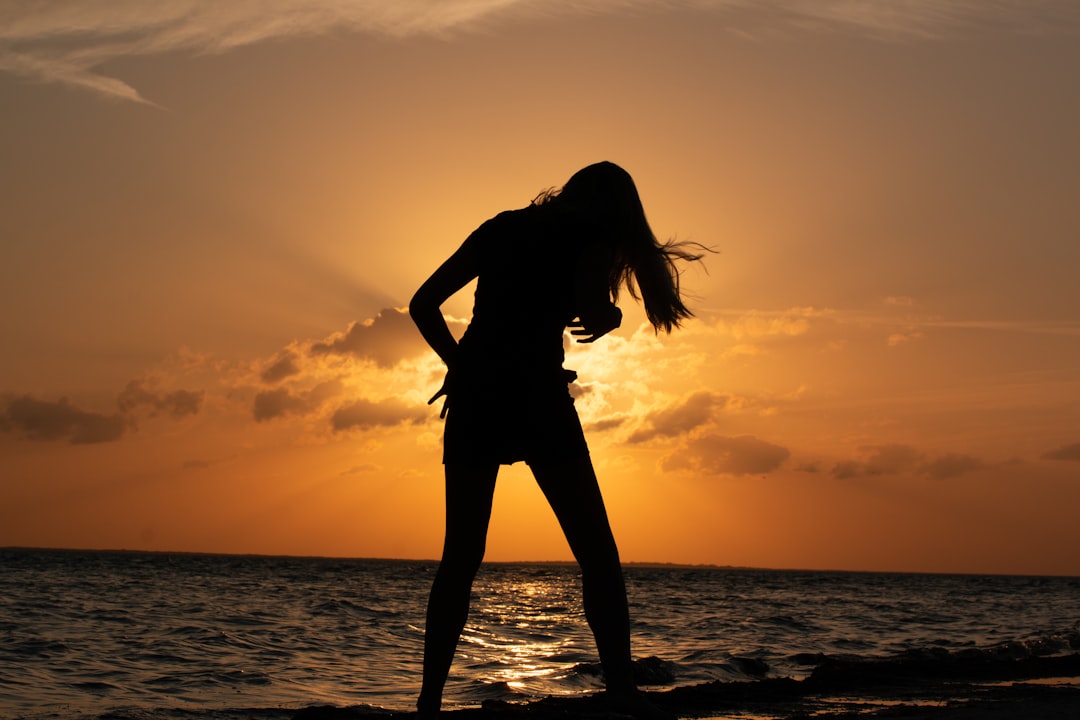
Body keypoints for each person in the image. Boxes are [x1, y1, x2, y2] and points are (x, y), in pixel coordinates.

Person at [409, 161, 703, 718]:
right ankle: (621, 692)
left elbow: (422, 304)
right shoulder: (589, 238)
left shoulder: (501, 226)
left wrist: (463, 366)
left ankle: (428, 703)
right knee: (596, 552)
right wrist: (611, 316)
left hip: (477, 403)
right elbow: (592, 310)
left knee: (461, 558)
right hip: (539, 401)